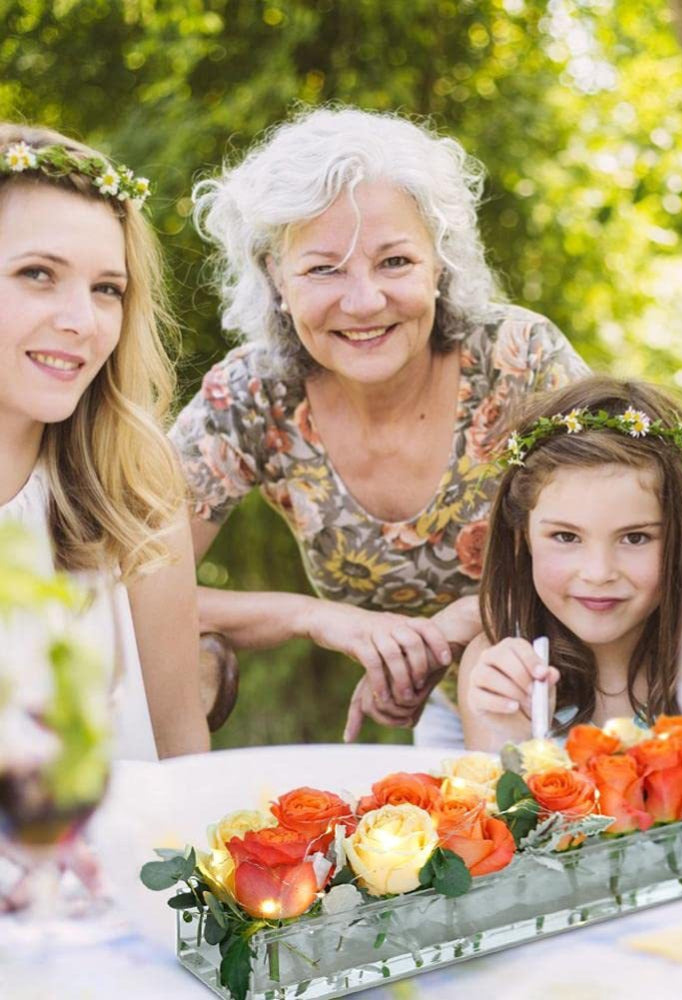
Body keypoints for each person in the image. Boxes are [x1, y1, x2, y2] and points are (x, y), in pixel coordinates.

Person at [169, 107, 588, 742]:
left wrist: (452, 628)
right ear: (274, 279)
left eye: (394, 262)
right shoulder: (253, 395)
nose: (363, 301)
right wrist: (315, 617)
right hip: (464, 717)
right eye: (322, 269)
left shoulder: (519, 359)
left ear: (439, 264)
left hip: (592, 690)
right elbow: (120, 589)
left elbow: (621, 548)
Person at [0, 124, 209, 759]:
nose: (82, 322)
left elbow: (181, 750)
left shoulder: (135, 495)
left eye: (106, 290)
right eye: (38, 273)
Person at [458, 376, 682, 751]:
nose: (599, 573)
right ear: (523, 536)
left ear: (681, 541)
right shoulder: (497, 666)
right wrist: (513, 742)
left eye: (635, 538)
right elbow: (492, 808)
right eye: (566, 537)